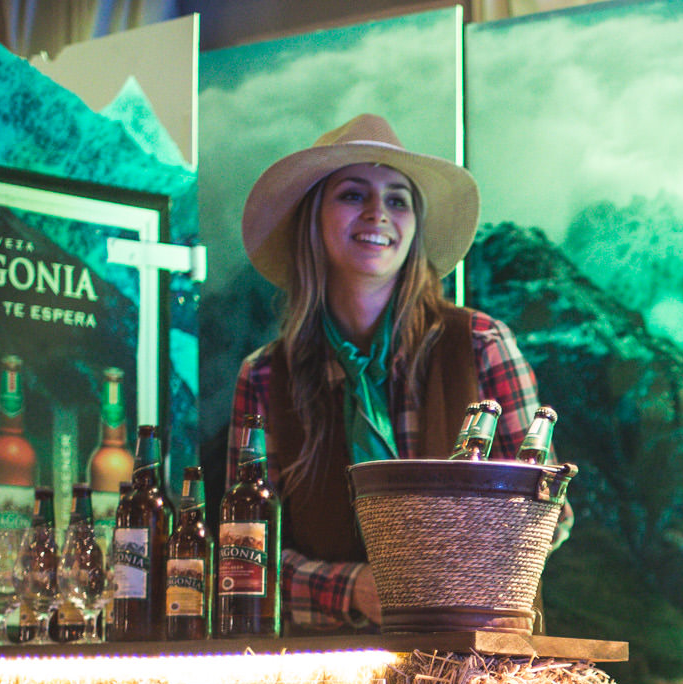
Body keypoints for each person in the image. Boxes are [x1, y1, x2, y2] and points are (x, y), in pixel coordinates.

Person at [231, 113, 563, 630]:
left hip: (473, 677)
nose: (377, 214)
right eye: (352, 195)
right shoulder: (264, 377)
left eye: (397, 200)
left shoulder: (480, 344)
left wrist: (428, 580)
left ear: (415, 227)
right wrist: (351, 588)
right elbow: (245, 549)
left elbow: (549, 512)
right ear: (312, 220)